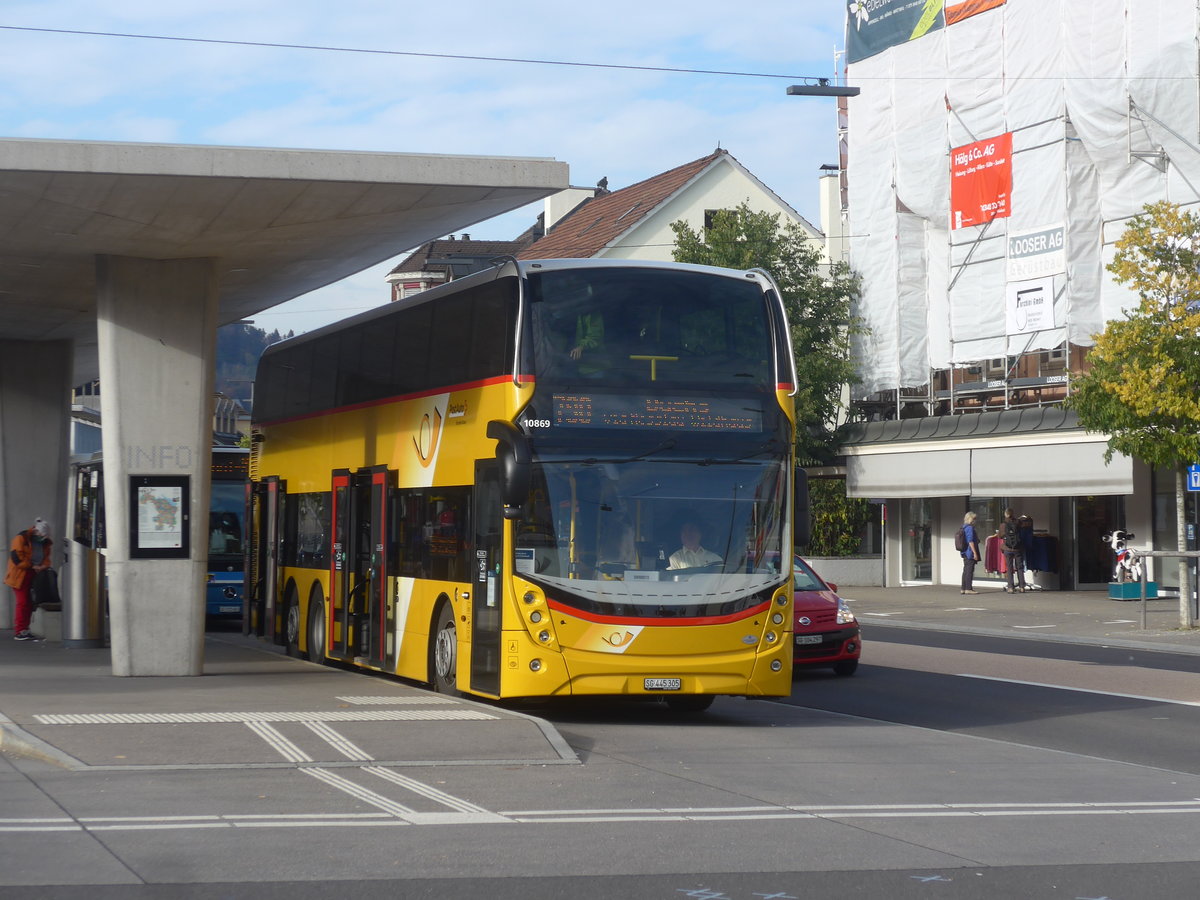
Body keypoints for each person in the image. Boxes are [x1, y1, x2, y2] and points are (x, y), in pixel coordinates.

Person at [6, 518, 52, 641]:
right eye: (40, 535)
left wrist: (43, 566)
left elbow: (47, 557)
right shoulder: (21, 538)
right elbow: (16, 558)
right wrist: (32, 565)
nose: (42, 538)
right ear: (35, 531)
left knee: (29, 603)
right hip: (19, 575)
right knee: (23, 602)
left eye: (44, 536)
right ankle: (20, 630)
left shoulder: (45, 542)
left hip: (33, 574)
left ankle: (24, 629)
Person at [1000, 507, 1029, 593]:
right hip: (1017, 548)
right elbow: (1024, 528)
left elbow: (1000, 536)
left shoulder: (1003, 524)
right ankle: (1022, 587)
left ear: (1005, 514)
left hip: (1007, 548)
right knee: (1020, 567)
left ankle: (1010, 587)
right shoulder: (1018, 522)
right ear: (1013, 514)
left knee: (1009, 568)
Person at [960, 511, 981, 595]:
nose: (975, 521)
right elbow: (970, 541)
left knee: (965, 570)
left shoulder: (963, 527)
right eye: (974, 519)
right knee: (969, 570)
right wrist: (975, 553)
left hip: (964, 551)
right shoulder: (970, 528)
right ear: (971, 519)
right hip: (969, 552)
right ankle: (968, 588)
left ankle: (963, 588)